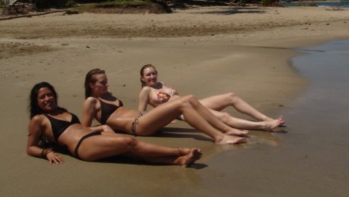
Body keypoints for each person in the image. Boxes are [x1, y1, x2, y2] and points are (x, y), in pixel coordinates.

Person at [27, 82, 202, 167]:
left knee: (130, 151)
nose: (47, 99)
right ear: (37, 102)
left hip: (92, 136)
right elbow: (30, 147)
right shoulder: (39, 119)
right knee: (129, 143)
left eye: (49, 94)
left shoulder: (63, 111)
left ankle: (179, 161)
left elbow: (81, 128)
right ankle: (181, 151)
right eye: (42, 97)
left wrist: (102, 128)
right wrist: (46, 153)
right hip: (82, 146)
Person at [81, 69, 247, 145]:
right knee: (183, 103)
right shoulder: (91, 102)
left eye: (106, 80)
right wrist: (103, 126)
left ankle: (226, 129)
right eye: (103, 82)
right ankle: (219, 137)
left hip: (143, 119)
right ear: (91, 84)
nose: (107, 84)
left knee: (189, 98)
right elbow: (84, 129)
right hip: (137, 126)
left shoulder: (108, 96)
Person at [138, 64, 285, 131]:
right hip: (185, 111)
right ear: (142, 78)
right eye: (148, 75)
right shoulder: (146, 90)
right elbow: (142, 115)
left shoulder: (161, 84)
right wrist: (168, 119)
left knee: (231, 96)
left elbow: (173, 99)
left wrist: (173, 93)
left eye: (154, 73)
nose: (152, 76)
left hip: (194, 103)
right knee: (225, 116)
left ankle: (265, 118)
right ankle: (264, 126)